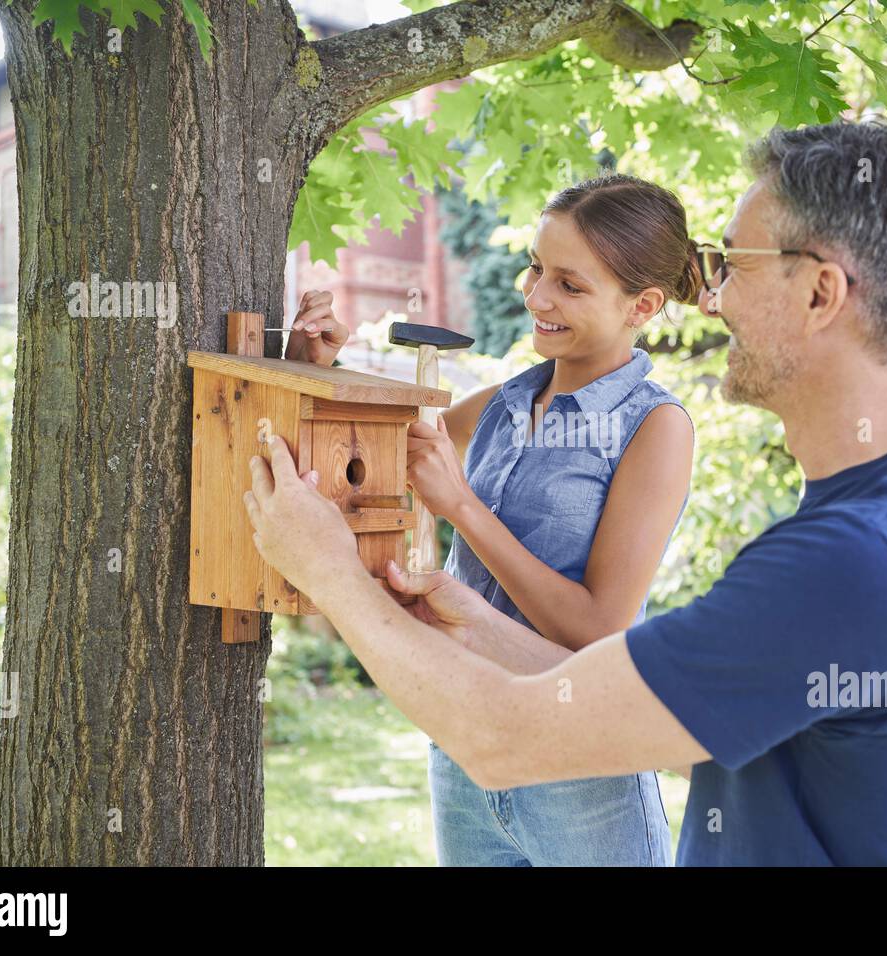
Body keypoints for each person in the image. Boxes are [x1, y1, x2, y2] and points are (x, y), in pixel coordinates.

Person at [246, 120, 887, 866]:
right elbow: (663, 723)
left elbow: (503, 736)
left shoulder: (854, 561)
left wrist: (331, 576)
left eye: (731, 265)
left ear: (820, 294)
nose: (710, 299)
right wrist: (477, 625)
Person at [292, 174, 698, 865]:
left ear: (644, 304)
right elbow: (376, 457)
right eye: (537, 268)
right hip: (465, 745)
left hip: (582, 776)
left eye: (571, 285)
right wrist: (324, 370)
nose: (537, 296)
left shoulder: (654, 428)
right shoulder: (503, 404)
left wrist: (463, 510)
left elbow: (599, 629)